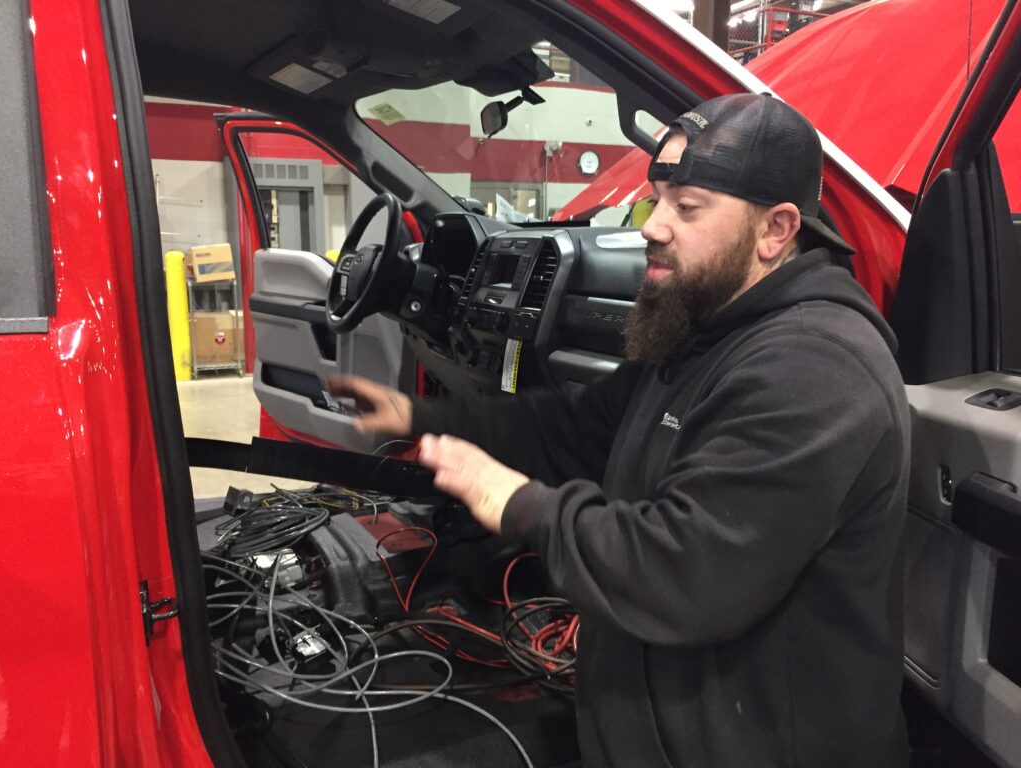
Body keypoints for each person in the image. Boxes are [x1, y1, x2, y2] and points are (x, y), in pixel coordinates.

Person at [330, 93, 910, 767]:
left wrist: (521, 503)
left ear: (775, 231)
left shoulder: (814, 370)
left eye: (687, 208)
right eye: (654, 200)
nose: (652, 227)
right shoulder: (704, 327)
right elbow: (579, 426)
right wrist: (424, 418)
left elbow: (683, 569)